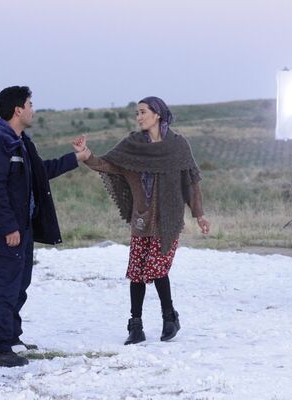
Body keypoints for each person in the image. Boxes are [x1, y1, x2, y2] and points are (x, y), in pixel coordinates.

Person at [0, 86, 89, 367]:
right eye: (30, 104)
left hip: (23, 227)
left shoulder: (20, 142)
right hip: (9, 230)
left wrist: (77, 158)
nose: (33, 109)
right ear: (18, 109)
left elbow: (39, 173)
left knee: (20, 285)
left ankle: (12, 338)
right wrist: (9, 227)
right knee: (6, 287)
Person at [73, 96, 210, 345]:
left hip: (167, 219)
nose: (138, 117)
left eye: (143, 112)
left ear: (157, 114)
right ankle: (135, 326)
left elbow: (191, 182)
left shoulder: (177, 145)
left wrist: (199, 215)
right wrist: (87, 155)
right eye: (137, 113)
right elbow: (107, 164)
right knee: (136, 272)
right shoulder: (132, 145)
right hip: (141, 220)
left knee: (157, 269)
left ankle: (169, 318)